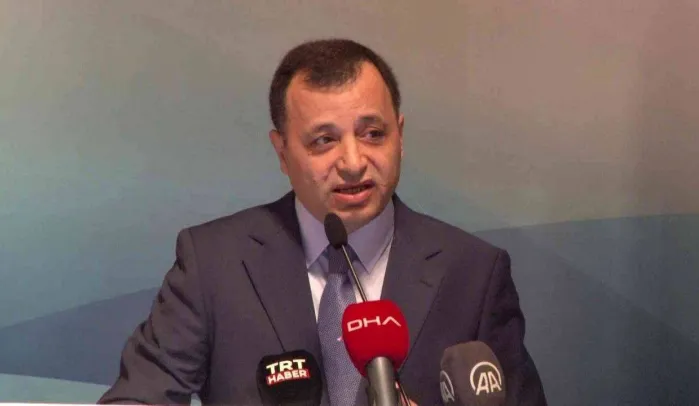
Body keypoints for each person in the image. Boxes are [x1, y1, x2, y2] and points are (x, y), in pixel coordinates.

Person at [99, 38, 546, 405]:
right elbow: (139, 395)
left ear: (401, 136)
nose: (353, 162)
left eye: (373, 134)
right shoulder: (215, 262)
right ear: (282, 153)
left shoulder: (474, 272)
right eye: (324, 141)